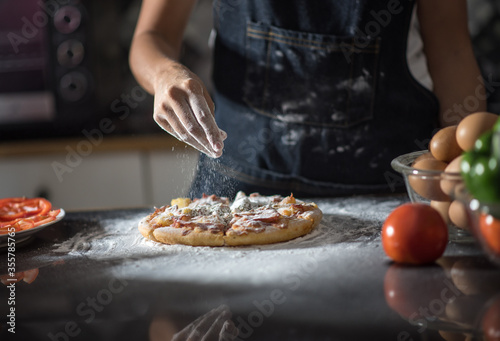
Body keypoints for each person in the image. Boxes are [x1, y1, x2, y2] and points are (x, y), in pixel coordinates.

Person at [129, 0, 486, 198]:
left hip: (381, 192)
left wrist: (464, 170)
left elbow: (452, 52)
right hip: (237, 192)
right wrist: (164, 75)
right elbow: (152, 35)